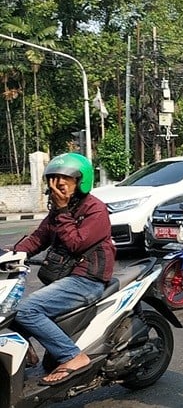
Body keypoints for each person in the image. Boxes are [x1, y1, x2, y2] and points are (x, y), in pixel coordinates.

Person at [14, 153, 116, 385]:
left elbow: (76, 243)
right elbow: (36, 240)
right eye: (52, 180)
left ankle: (72, 356)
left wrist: (61, 213)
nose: (56, 186)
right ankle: (24, 356)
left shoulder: (95, 210)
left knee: (28, 310)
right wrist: (10, 253)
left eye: (63, 180)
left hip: (87, 280)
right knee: (11, 313)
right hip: (65, 280)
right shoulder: (60, 209)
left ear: (80, 181)